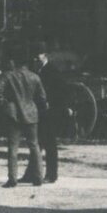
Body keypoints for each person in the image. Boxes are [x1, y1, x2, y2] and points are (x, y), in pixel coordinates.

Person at [0, 54, 48, 188]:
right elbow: (42, 97)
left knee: (13, 148)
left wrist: (5, 104)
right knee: (34, 146)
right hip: (31, 114)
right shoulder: (35, 77)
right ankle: (38, 177)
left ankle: (12, 179)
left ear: (15, 62)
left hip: (14, 115)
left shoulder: (8, 75)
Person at [36, 48, 67, 184]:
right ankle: (33, 173)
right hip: (41, 112)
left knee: (49, 145)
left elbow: (60, 91)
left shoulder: (53, 71)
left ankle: (51, 174)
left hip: (50, 112)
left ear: (45, 55)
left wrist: (52, 104)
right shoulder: (39, 69)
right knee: (37, 144)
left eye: (38, 55)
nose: (36, 58)